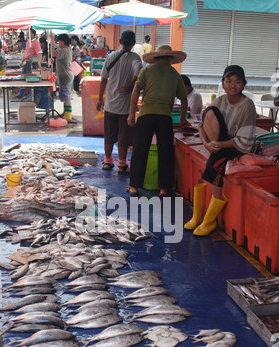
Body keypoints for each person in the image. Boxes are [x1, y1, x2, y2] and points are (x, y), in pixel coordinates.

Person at [184, 65, 257, 236]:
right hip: (217, 142)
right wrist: (207, 143)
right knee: (210, 111)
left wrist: (219, 145)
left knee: (213, 164)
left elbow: (245, 140)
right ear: (223, 83)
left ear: (243, 85)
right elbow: (201, 125)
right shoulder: (221, 100)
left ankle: (209, 221)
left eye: (238, 82)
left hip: (236, 146)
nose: (233, 85)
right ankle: (199, 216)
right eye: (229, 81)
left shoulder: (248, 106)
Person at [126, 45, 188, 197]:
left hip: (146, 114)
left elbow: (136, 90)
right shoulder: (175, 75)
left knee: (140, 150)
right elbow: (184, 98)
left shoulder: (147, 70)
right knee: (165, 152)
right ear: (170, 58)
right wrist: (181, 118)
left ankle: (134, 187)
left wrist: (131, 113)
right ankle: (163, 189)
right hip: (165, 117)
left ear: (156, 58)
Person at [96, 30, 143, 174]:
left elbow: (103, 79)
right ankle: (122, 164)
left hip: (110, 104)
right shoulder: (135, 58)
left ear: (120, 42)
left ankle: (107, 160)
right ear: (133, 44)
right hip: (125, 109)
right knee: (123, 136)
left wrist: (99, 99)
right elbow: (139, 70)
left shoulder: (111, 57)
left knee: (109, 135)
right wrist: (131, 84)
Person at [50, 32, 74, 121]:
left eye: (58, 41)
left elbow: (53, 53)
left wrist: (51, 41)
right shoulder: (67, 49)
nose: (58, 43)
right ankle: (66, 111)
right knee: (64, 94)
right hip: (66, 75)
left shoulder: (64, 50)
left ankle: (68, 115)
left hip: (66, 76)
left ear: (63, 41)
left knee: (66, 95)